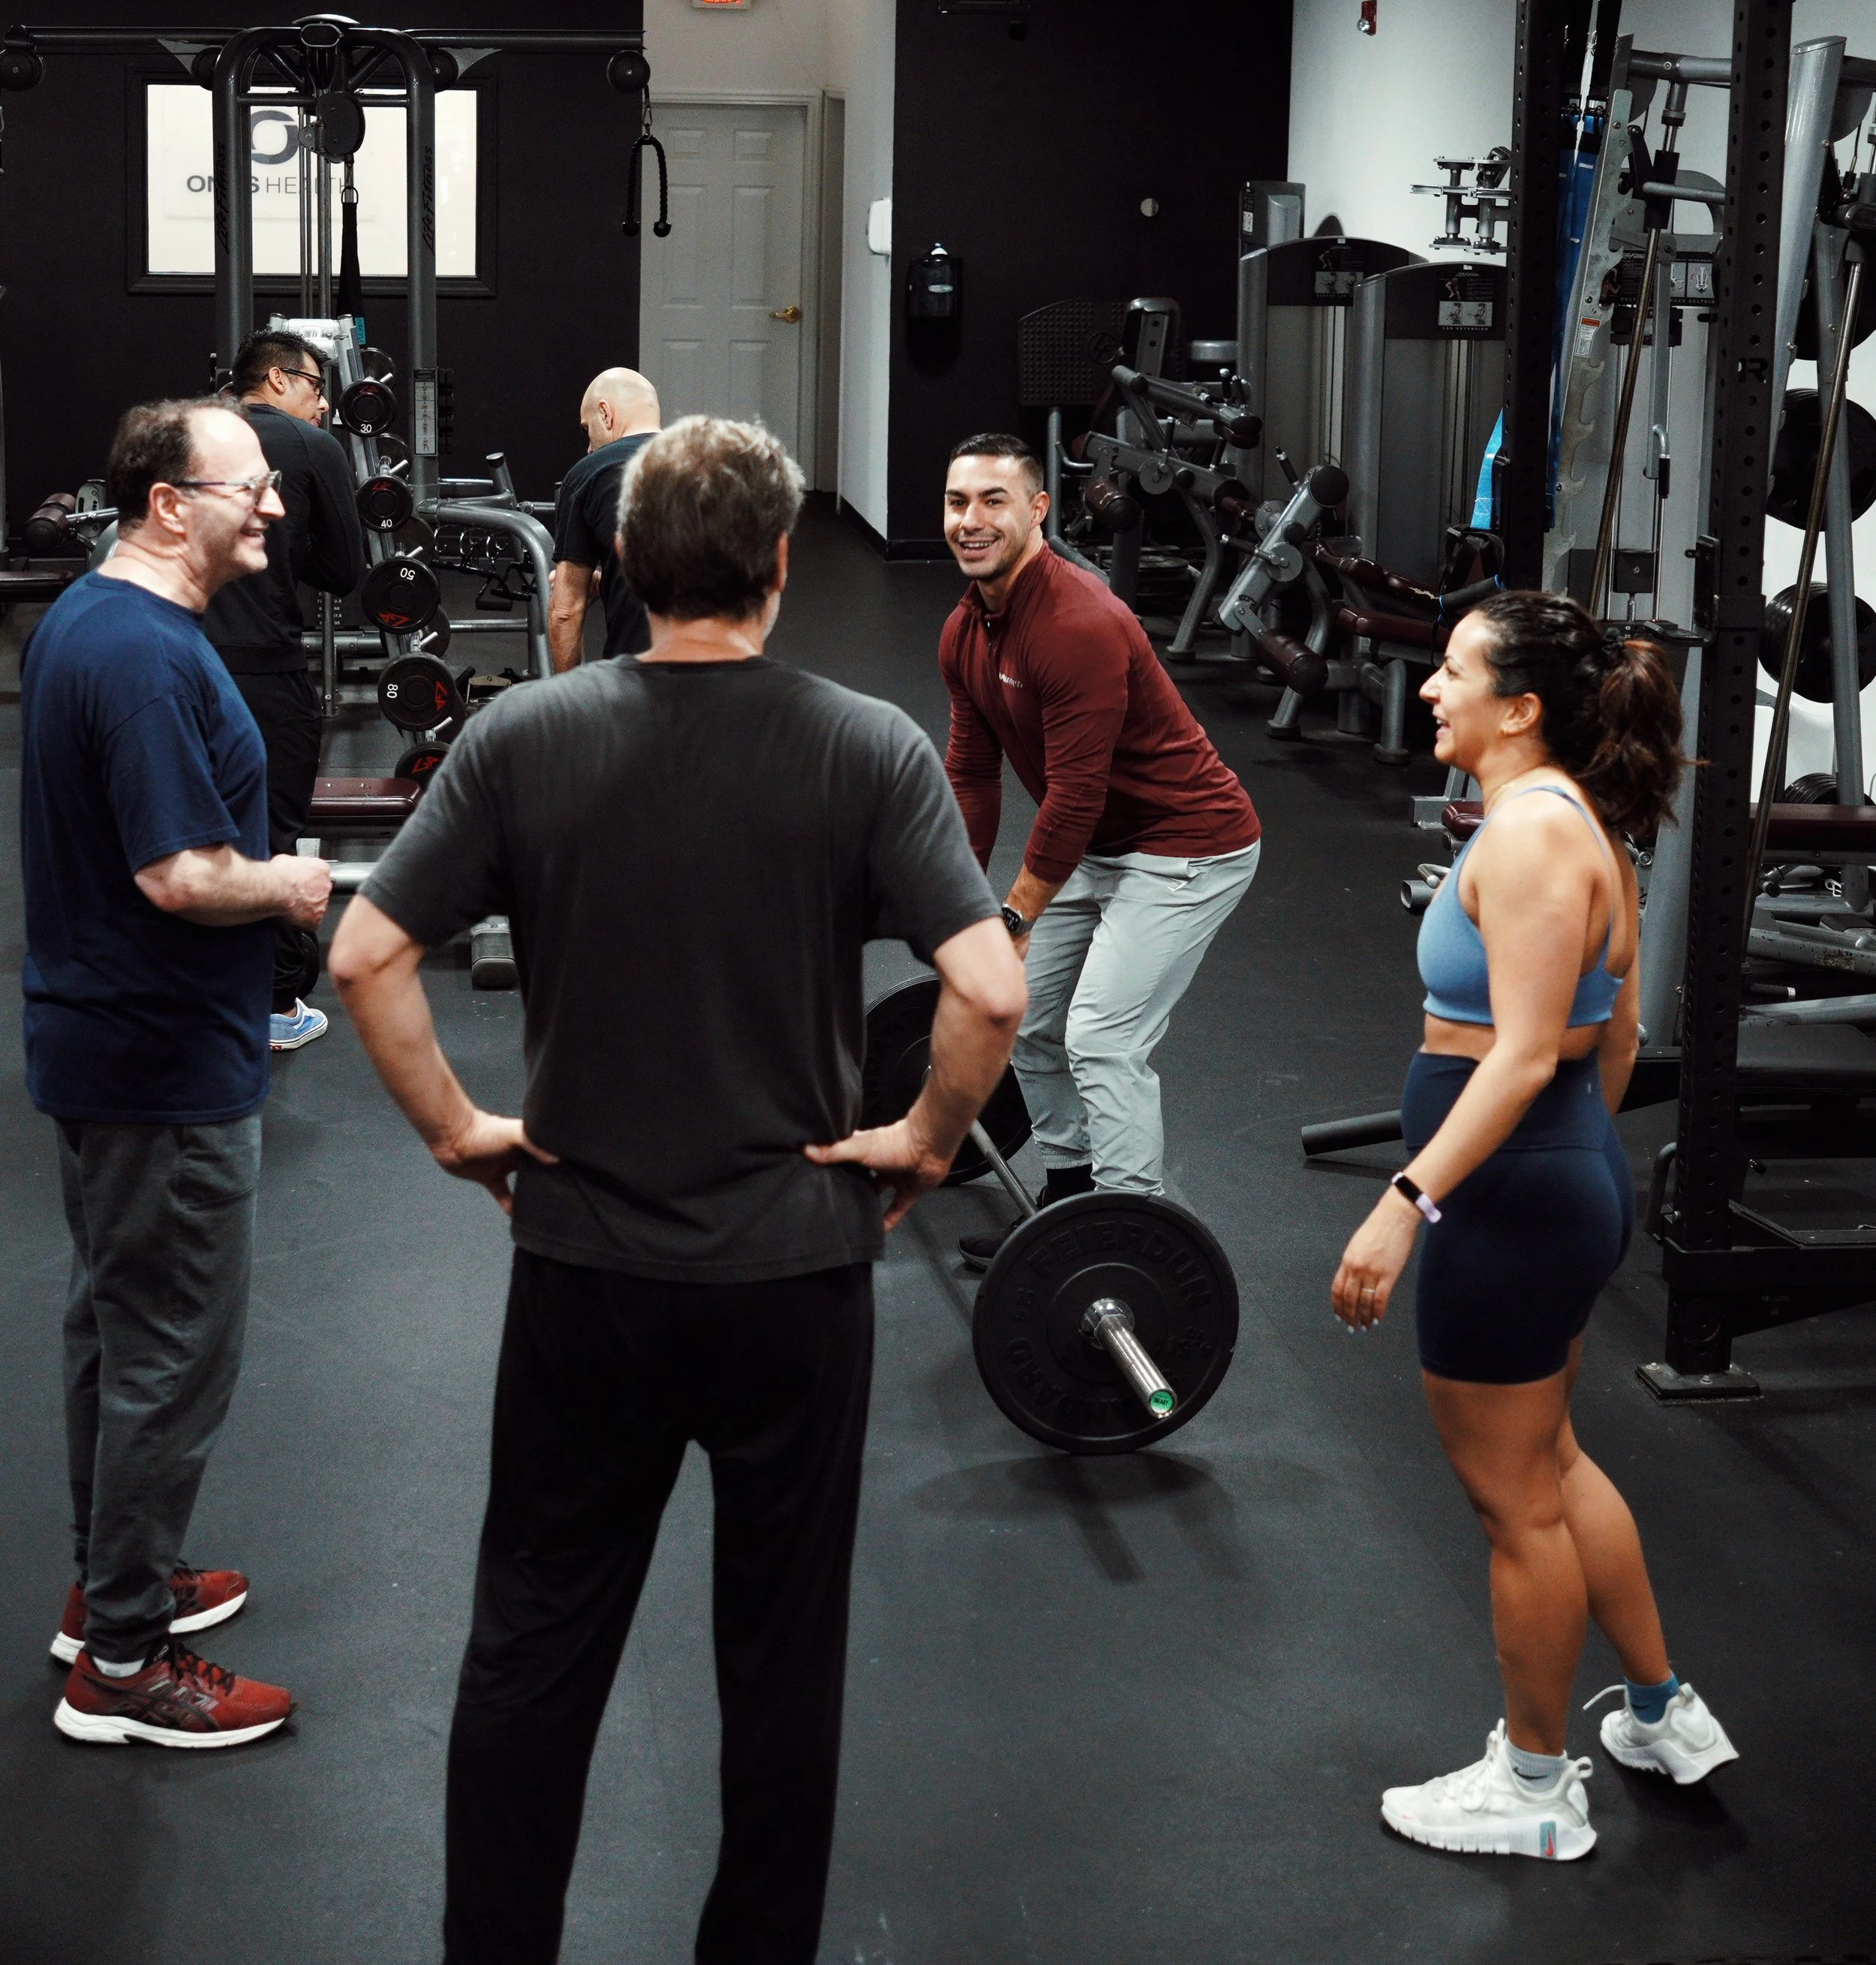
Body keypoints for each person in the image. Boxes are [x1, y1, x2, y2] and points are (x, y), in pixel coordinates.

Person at [329, 414, 1025, 1965]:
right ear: (781, 562)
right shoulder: (865, 745)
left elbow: (367, 954)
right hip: (792, 1279)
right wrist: (918, 1139)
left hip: (586, 1272)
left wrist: (458, 1131)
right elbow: (986, 991)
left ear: (630, 568)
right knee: (780, 1660)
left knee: (532, 1641)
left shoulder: (526, 736)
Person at [1332, 591, 1737, 1861]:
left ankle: (1534, 1784)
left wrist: (1408, 1203)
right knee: (1552, 1464)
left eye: (1454, 672)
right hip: (1552, 1171)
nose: (1432, 688)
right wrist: (1571, 1167)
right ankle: (1663, 1714)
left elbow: (1515, 1060)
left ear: (1521, 708)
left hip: (1508, 1191)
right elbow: (1605, 1045)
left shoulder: (1527, 841)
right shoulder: (1581, 831)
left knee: (1513, 1502)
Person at [23, 396, 331, 1750]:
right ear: (168, 504)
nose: (272, 505)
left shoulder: (97, 622)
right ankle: (129, 1669)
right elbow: (181, 874)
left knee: (116, 1334)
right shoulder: (143, 657)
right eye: (248, 487)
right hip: (159, 1061)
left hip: (113, 1045)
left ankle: (114, 1591)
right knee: (167, 1358)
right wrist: (293, 885)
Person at [938, 433, 1262, 1265]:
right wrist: (954, 901)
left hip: (1189, 846)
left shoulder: (1077, 624)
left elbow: (1074, 798)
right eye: (956, 503)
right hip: (1101, 845)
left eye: (992, 501)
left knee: (1103, 1037)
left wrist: (1011, 916)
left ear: (1037, 509)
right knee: (1031, 1019)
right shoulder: (967, 629)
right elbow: (971, 774)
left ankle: (1130, 1232)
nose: (969, 521)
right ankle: (1069, 1194)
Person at [203, 326, 364, 1053]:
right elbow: (344, 570)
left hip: (178, 663)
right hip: (265, 673)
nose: (324, 405)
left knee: (184, 822)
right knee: (269, 832)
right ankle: (272, 1004)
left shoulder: (186, 433)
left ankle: (193, 990)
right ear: (275, 380)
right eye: (313, 387)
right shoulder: (309, 449)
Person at [546, 364, 661, 671]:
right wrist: (612, 578)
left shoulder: (591, 473)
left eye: (587, 429)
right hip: (728, 682)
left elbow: (566, 611)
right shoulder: (714, 466)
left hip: (638, 681)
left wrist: (570, 701)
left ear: (605, 413)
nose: (588, 448)